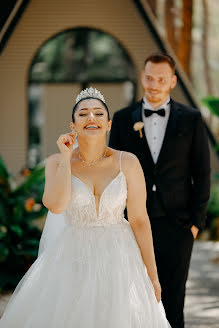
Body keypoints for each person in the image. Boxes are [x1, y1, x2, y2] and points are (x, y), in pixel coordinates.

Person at [0, 87, 171, 327]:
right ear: (73, 125)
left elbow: (140, 220)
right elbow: (57, 205)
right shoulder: (56, 162)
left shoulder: (128, 162)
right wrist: (66, 158)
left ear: (109, 124)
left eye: (99, 114)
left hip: (120, 258)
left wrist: (152, 275)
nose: (91, 118)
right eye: (83, 114)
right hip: (73, 259)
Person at [109, 54, 211, 328]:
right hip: (133, 223)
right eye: (149, 77)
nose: (154, 84)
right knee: (134, 296)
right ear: (142, 77)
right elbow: (114, 172)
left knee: (174, 298)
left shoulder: (191, 119)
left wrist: (195, 223)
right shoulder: (121, 120)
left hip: (178, 224)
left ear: (173, 82)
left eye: (161, 79)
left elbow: (202, 174)